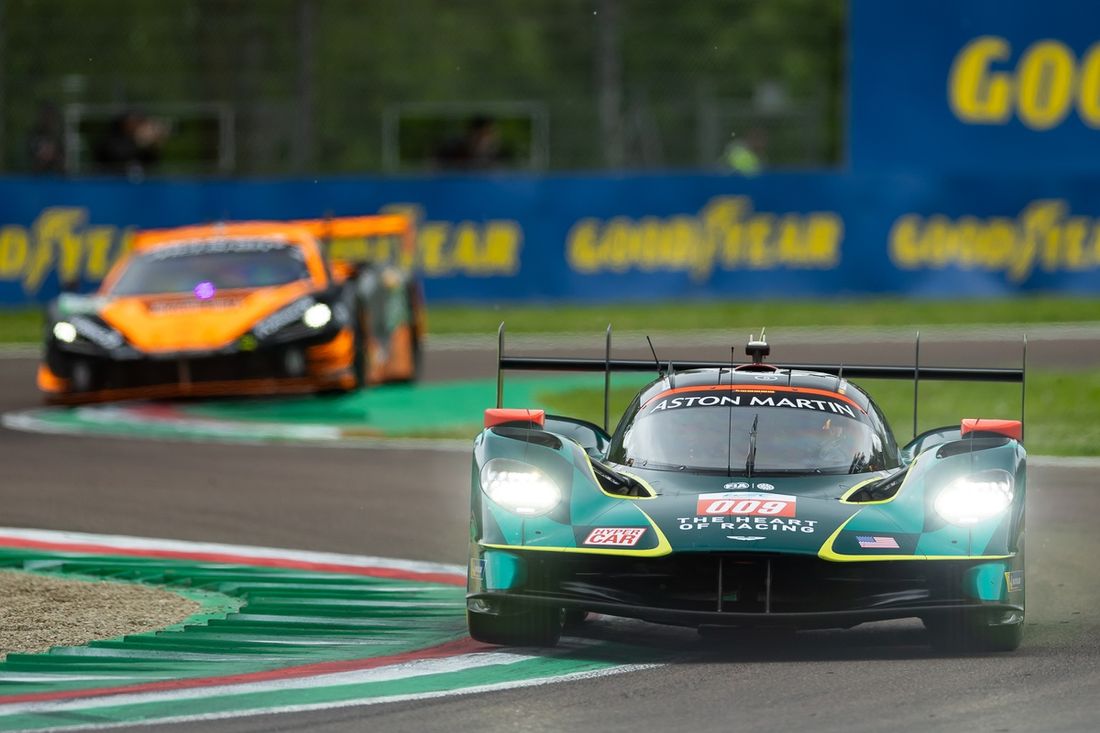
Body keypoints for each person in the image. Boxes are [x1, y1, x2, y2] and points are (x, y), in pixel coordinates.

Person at [94, 111, 169, 179]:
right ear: (124, 123)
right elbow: (118, 156)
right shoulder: (110, 140)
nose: (138, 125)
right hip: (112, 181)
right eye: (135, 121)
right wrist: (140, 143)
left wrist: (154, 147)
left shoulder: (137, 141)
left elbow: (151, 163)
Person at [433, 115, 512, 170]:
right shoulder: (452, 151)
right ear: (471, 134)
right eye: (481, 135)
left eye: (490, 134)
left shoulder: (500, 155)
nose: (485, 140)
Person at [26, 102, 65, 174]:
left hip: (56, 175)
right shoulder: (34, 133)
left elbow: (62, 156)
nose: (48, 119)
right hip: (37, 175)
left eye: (51, 116)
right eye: (46, 115)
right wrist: (42, 153)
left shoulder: (57, 136)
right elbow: (29, 153)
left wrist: (54, 154)